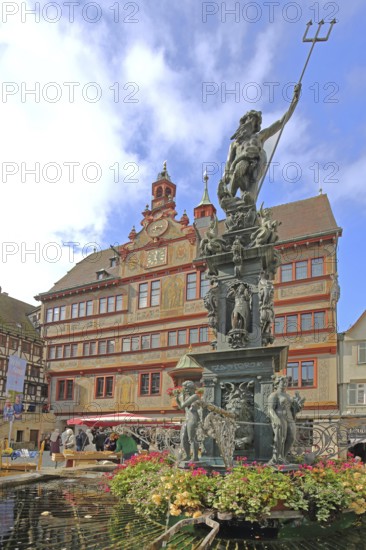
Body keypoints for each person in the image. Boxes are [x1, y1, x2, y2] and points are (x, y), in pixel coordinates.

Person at [223, 84, 301, 203]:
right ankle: (231, 197)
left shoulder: (260, 136)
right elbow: (228, 162)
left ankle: (249, 199)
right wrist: (226, 175)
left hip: (256, 162)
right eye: (249, 119)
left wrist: (294, 101)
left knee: (253, 181)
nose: (251, 121)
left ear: (256, 125)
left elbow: (281, 122)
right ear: (244, 122)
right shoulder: (236, 143)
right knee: (238, 174)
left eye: (254, 120)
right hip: (240, 163)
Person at [267, 376, 305, 465]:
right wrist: (275, 418)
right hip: (280, 417)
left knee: (291, 438)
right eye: (283, 382)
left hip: (290, 417)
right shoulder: (274, 395)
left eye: (286, 382)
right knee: (280, 438)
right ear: (277, 383)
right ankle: (276, 458)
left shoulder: (287, 396)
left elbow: (293, 409)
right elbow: (270, 409)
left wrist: (298, 405)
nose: (285, 384)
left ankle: (283, 456)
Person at [176, 380, 201, 462]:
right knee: (183, 438)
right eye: (184, 389)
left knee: (192, 438)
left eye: (186, 389)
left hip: (193, 418)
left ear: (192, 388)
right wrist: (177, 399)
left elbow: (183, 405)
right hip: (187, 418)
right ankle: (187, 456)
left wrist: (181, 397)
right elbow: (181, 407)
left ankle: (195, 457)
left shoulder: (195, 396)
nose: (185, 390)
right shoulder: (187, 397)